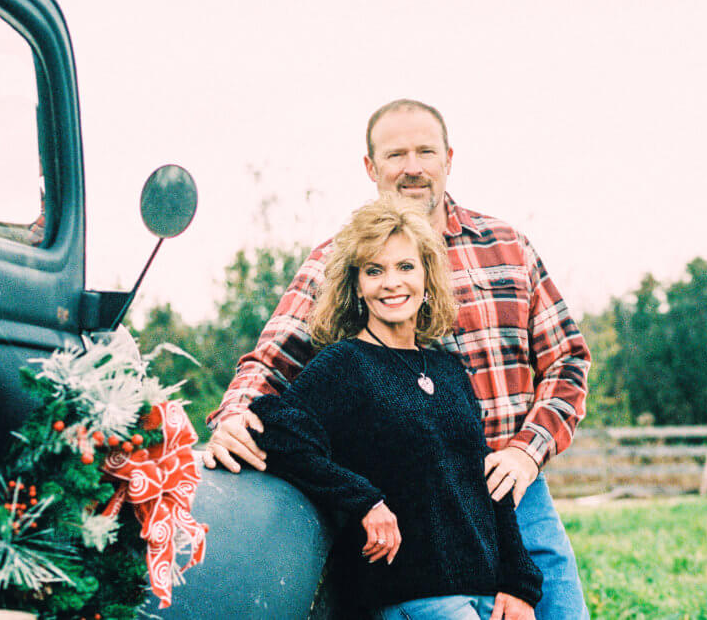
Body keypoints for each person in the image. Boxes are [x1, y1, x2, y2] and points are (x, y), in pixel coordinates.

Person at [205, 99, 591, 619]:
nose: (412, 166)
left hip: (511, 487)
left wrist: (527, 451)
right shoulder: (335, 260)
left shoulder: (507, 247)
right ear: (370, 167)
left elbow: (568, 359)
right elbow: (272, 364)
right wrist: (236, 417)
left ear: (449, 158)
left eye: (425, 151)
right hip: (416, 521)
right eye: (395, 154)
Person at [250, 196, 541, 619]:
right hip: (416, 595)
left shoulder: (448, 370)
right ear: (356, 285)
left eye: (405, 267)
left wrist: (519, 586)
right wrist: (364, 501)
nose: (391, 282)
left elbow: (484, 483)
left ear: (427, 278)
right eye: (374, 270)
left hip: (487, 592)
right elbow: (272, 426)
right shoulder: (344, 364)